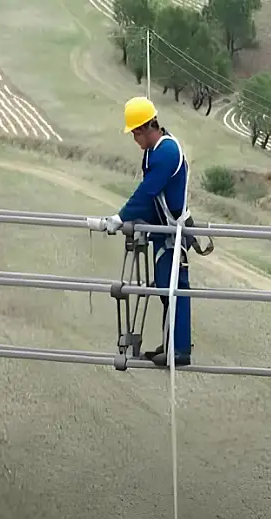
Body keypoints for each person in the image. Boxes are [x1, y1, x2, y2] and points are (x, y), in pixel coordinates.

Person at [87, 96, 193, 367]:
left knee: (175, 290)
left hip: (172, 231)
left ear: (146, 128)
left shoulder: (166, 153)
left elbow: (147, 193)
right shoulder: (153, 151)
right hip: (161, 229)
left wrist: (119, 218)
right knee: (163, 288)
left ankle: (179, 350)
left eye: (135, 133)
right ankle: (171, 344)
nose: (134, 139)